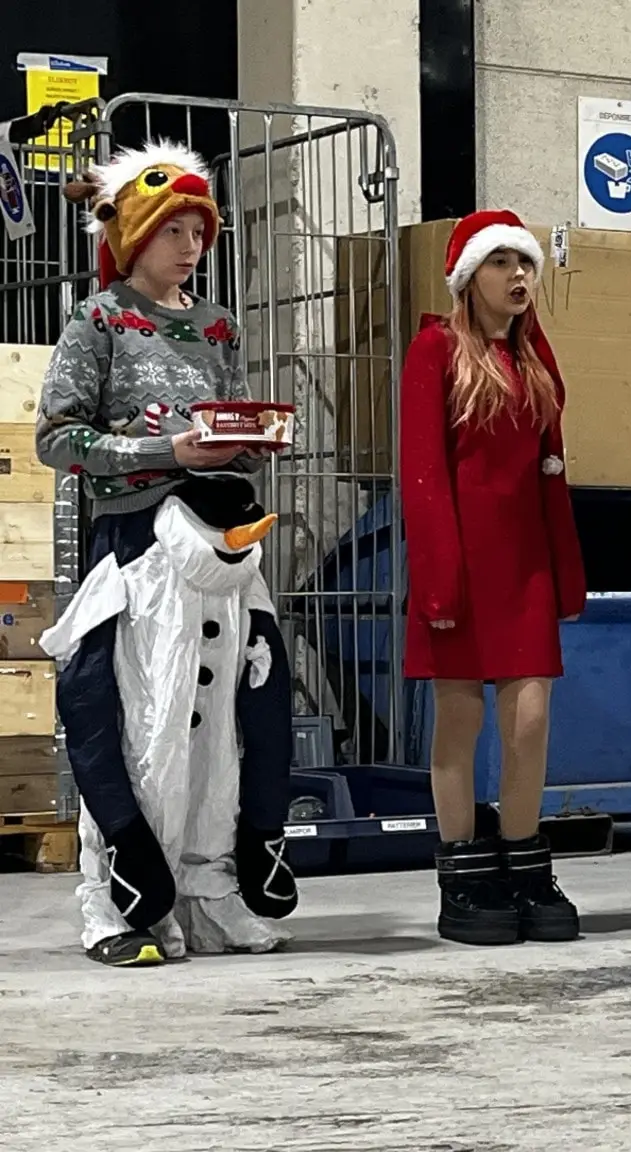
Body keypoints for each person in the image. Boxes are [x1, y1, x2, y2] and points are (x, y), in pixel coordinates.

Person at [35, 141, 298, 967]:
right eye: (174, 230)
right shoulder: (98, 320)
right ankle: (118, 902)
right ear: (133, 237)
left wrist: (249, 443)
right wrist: (158, 456)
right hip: (139, 549)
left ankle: (210, 889)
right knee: (138, 720)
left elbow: (221, 427)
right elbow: (56, 438)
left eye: (199, 230)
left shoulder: (217, 326)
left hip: (222, 549)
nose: (191, 246)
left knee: (220, 725)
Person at [400, 209, 588, 947]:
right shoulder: (434, 351)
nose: (517, 276)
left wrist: (565, 572)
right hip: (460, 562)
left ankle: (524, 862)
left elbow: (552, 475)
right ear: (467, 278)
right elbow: (423, 475)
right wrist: (438, 578)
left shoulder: (535, 360)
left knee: (530, 721)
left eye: (525, 264)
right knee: (460, 719)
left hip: (525, 566)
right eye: (500, 263)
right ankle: (463, 872)